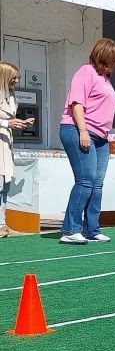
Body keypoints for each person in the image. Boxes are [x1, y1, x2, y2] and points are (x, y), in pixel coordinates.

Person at [59, 38, 115, 244]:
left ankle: (91, 230)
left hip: (101, 136)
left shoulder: (104, 79)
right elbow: (77, 104)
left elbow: (99, 106)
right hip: (78, 130)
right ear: (105, 56)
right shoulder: (86, 72)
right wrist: (82, 132)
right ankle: (70, 230)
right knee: (86, 180)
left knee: (97, 184)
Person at [1, 62, 34, 238]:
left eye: (18, 77)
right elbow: (5, 121)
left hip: (6, 143)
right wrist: (7, 123)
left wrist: (21, 123)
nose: (17, 80)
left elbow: (9, 120)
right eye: (14, 77)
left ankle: (2, 225)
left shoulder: (11, 95)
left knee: (5, 185)